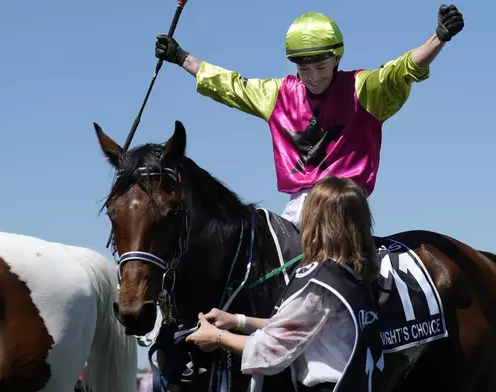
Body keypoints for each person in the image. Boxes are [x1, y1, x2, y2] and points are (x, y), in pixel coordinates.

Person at [155, 6, 464, 228]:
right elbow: (232, 85)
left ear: (337, 58)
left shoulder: (363, 89)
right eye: (305, 69)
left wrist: (438, 38)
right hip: (297, 209)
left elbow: (400, 71)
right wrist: (183, 58)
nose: (313, 77)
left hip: (345, 206)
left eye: (321, 67)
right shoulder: (278, 95)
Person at [185, 176, 384, 391]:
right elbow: (294, 325)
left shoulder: (320, 283)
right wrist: (237, 320)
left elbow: (270, 349)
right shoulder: (350, 276)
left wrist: (217, 337)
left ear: (314, 223)